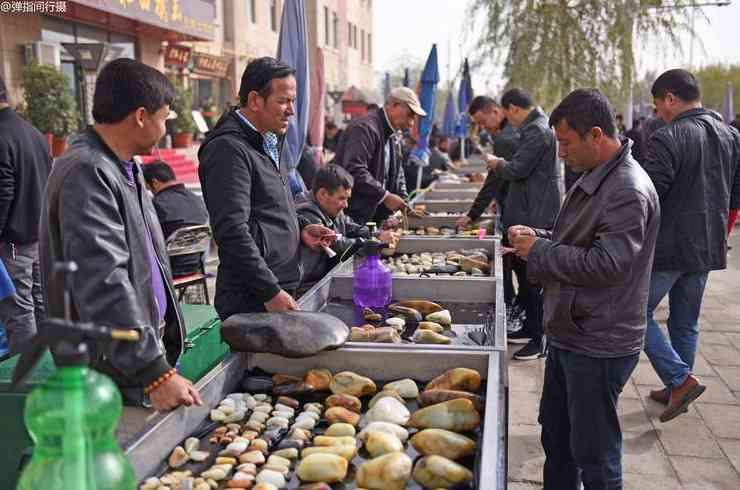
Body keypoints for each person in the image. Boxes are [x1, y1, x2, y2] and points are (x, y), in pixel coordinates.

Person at [510, 88, 659, 490]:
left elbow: (607, 265)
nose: (560, 152)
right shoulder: (597, 175)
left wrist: (539, 250)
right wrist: (538, 237)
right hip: (572, 331)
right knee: (558, 440)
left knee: (595, 456)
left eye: (566, 143)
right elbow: (578, 239)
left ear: (596, 135)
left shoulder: (627, 189)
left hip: (598, 339)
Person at [40, 59, 201, 411]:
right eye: (164, 118)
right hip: (108, 369)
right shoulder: (88, 170)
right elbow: (102, 280)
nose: (166, 128)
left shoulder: (123, 166)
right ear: (141, 116)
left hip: (128, 361)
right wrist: (152, 371)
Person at [198, 57, 335, 320]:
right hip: (253, 298)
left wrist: (300, 227)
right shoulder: (228, 149)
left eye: (293, 101)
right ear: (254, 100)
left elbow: (271, 206)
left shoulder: (271, 139)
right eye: (283, 101)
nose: (291, 111)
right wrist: (269, 291)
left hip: (280, 285)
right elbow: (231, 230)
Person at [641, 69, 740, 422]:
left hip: (671, 246)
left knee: (634, 314)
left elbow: (649, 196)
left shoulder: (668, 137)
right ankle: (675, 387)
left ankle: (680, 380)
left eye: (658, 105)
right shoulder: (731, 135)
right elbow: (736, 195)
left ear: (670, 98)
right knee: (686, 322)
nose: (658, 113)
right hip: (709, 243)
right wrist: (722, 231)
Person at [485, 88, 562, 360]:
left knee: (533, 280)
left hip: (535, 214)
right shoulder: (534, 129)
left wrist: (496, 163)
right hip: (529, 210)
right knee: (525, 277)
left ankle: (541, 339)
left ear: (513, 108)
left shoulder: (536, 131)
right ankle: (530, 328)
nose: (509, 120)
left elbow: (517, 169)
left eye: (508, 113)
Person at [457, 95, 522, 326]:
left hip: (519, 209)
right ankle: (520, 313)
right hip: (516, 204)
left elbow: (494, 180)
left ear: (496, 111)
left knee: (521, 270)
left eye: (483, 121)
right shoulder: (508, 134)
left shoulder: (505, 138)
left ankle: (521, 319)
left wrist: (472, 214)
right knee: (519, 268)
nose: (482, 128)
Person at [0, 75, 52, 357]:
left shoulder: (1, 134)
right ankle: (47, 367)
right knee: (41, 304)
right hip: (38, 235)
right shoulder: (33, 132)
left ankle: (25, 378)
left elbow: (3, 193)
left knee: (18, 310)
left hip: (13, 242)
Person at [296, 164, 398, 292]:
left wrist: (377, 234)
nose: (346, 205)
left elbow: (350, 226)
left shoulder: (331, 208)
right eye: (341, 198)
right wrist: (372, 244)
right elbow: (333, 243)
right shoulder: (307, 214)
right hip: (308, 288)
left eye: (347, 198)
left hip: (324, 278)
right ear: (323, 194)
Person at [334, 87, 426, 225]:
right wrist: (385, 196)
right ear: (394, 105)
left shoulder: (393, 135)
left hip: (373, 216)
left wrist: (403, 203)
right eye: (410, 114)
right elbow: (354, 169)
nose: (412, 122)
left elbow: (398, 174)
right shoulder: (365, 128)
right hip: (353, 215)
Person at [142, 160, 209, 276]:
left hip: (168, 271)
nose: (151, 192)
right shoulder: (196, 199)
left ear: (155, 182)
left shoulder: (157, 204)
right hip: (196, 267)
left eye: (149, 188)